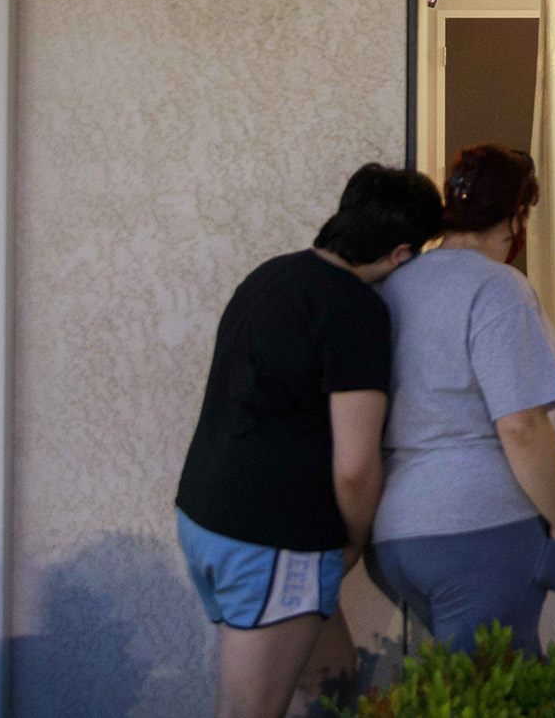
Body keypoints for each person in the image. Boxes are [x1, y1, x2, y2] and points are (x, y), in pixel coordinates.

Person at [175, 163, 444, 718]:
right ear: (401, 253)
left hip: (205, 518)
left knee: (335, 680)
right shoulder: (354, 311)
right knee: (249, 710)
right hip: (272, 540)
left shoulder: (271, 275)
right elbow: (355, 466)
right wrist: (354, 540)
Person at [366, 144, 555, 657]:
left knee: (460, 686)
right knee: (497, 689)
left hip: (396, 532)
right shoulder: (498, 288)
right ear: (514, 217)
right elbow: (521, 426)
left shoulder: (396, 285)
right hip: (481, 528)